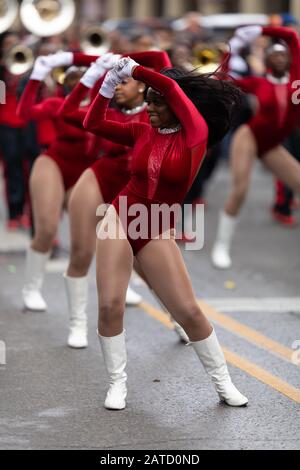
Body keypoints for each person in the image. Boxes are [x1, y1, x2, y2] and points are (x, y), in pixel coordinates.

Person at [83, 57, 248, 410]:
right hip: (120, 216)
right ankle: (117, 384)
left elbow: (173, 86)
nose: (150, 107)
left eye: (158, 102)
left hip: (156, 225)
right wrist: (109, 84)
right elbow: (92, 121)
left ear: (177, 106)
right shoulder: (142, 130)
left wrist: (136, 68)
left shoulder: (196, 136)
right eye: (149, 100)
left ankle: (224, 384)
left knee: (187, 311)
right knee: (111, 303)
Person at [53, 50, 172, 347]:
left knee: (146, 264)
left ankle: (177, 316)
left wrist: (125, 60)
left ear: (141, 84)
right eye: (113, 82)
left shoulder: (157, 112)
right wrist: (95, 71)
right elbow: (66, 113)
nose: (116, 86)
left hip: (137, 191)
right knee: (81, 253)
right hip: (102, 177)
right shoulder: (107, 111)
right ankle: (77, 324)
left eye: (122, 82)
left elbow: (161, 57)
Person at [211, 26, 300, 269]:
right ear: (268, 60)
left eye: (284, 55)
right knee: (240, 190)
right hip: (249, 137)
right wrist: (233, 48)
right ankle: (221, 245)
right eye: (275, 55)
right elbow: (225, 80)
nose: (280, 58)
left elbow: (291, 36)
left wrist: (262, 28)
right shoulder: (259, 83)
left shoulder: (297, 81)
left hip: (272, 145)